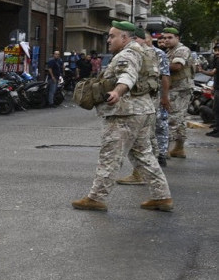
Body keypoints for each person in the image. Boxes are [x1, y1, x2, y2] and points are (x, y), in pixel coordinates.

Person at [72, 21, 172, 212]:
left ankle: (96, 198)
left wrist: (117, 92)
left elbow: (128, 75)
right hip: (143, 110)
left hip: (125, 112)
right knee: (143, 155)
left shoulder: (128, 54)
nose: (108, 40)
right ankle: (162, 197)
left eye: (112, 36)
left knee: (110, 154)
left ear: (125, 38)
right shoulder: (146, 51)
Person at [118, 27, 170, 183]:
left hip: (145, 99)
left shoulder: (151, 53)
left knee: (143, 138)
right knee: (145, 137)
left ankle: (145, 174)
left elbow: (165, 76)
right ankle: (148, 175)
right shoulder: (146, 53)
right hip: (144, 99)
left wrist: (165, 98)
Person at [160, 27, 193, 158]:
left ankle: (164, 150)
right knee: (179, 120)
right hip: (175, 89)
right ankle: (178, 148)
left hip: (180, 90)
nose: (166, 40)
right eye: (165, 38)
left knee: (171, 119)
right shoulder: (170, 51)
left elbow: (176, 66)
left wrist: (156, 66)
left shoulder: (182, 50)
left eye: (170, 37)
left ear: (177, 38)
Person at [206, 44, 219, 137]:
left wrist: (201, 71)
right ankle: (216, 128)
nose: (216, 52)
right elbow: (215, 75)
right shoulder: (216, 60)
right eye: (215, 50)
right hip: (217, 88)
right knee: (216, 110)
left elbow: (212, 73)